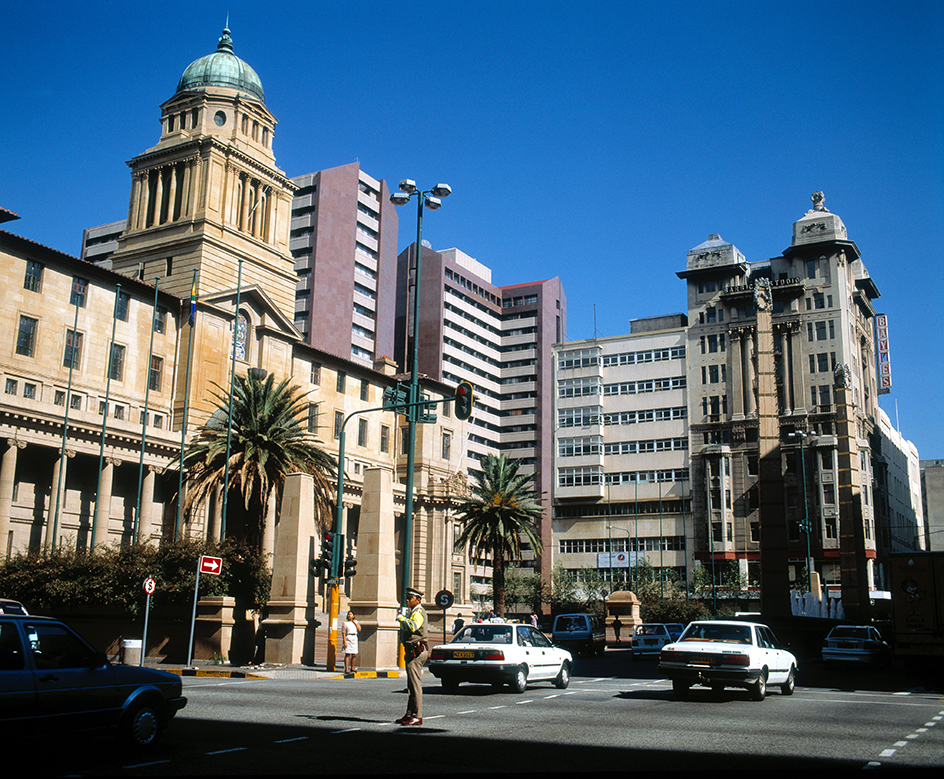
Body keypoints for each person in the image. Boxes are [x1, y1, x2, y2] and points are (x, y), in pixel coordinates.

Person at [396, 587, 428, 726]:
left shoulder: (419, 612)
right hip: (411, 650)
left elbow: (413, 626)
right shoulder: (413, 611)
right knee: (411, 685)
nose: (407, 600)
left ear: (418, 600)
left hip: (416, 651)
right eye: (406, 598)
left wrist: (402, 619)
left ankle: (417, 715)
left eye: (410, 598)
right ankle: (409, 714)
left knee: (415, 685)